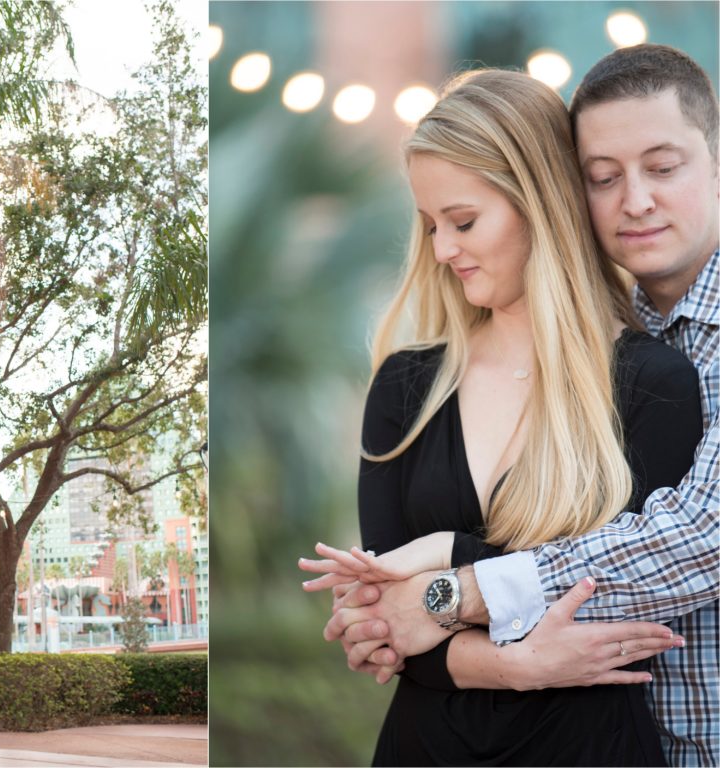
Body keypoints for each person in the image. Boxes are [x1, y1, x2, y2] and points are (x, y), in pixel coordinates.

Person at [305, 44, 719, 768]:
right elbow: (385, 628)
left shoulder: (654, 377)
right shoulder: (407, 387)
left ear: (539, 204)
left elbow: (672, 562)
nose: (441, 250)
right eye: (603, 177)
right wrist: (512, 663)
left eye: (463, 221)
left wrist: (443, 569)